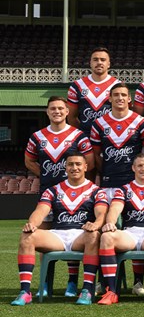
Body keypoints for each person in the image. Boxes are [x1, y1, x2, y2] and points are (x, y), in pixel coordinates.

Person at [12, 152, 107, 306]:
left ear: (85, 167)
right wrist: (32, 224)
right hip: (57, 235)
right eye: (70, 164)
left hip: (81, 235)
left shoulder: (96, 191)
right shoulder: (53, 190)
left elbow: (102, 213)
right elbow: (40, 211)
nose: (74, 167)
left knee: (94, 235)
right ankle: (25, 292)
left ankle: (87, 290)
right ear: (65, 167)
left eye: (78, 164)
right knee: (27, 236)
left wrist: (96, 224)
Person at [24, 96, 94, 297]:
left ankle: (72, 283)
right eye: (53, 108)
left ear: (66, 112)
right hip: (48, 194)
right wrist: (47, 177)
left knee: (73, 231)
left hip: (76, 194)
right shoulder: (37, 137)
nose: (57, 111)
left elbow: (89, 162)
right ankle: (46, 283)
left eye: (61, 108)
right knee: (44, 237)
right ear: (47, 112)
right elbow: (29, 161)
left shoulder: (78, 136)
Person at [94, 153, 144, 305]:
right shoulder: (123, 190)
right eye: (140, 166)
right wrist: (110, 222)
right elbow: (115, 209)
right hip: (129, 233)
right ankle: (111, 292)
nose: (143, 169)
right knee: (106, 237)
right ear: (133, 168)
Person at [90, 83, 144, 197]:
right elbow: (96, 155)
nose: (120, 98)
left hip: (134, 182)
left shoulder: (141, 122)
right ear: (110, 98)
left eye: (123, 95)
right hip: (109, 182)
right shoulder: (98, 124)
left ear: (129, 98)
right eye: (116, 95)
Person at [68, 47, 121, 134]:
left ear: (108, 64)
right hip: (86, 137)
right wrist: (82, 134)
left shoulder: (118, 85)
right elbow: (71, 117)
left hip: (110, 137)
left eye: (103, 60)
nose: (99, 62)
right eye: (95, 60)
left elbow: (125, 113)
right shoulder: (77, 86)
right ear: (90, 63)